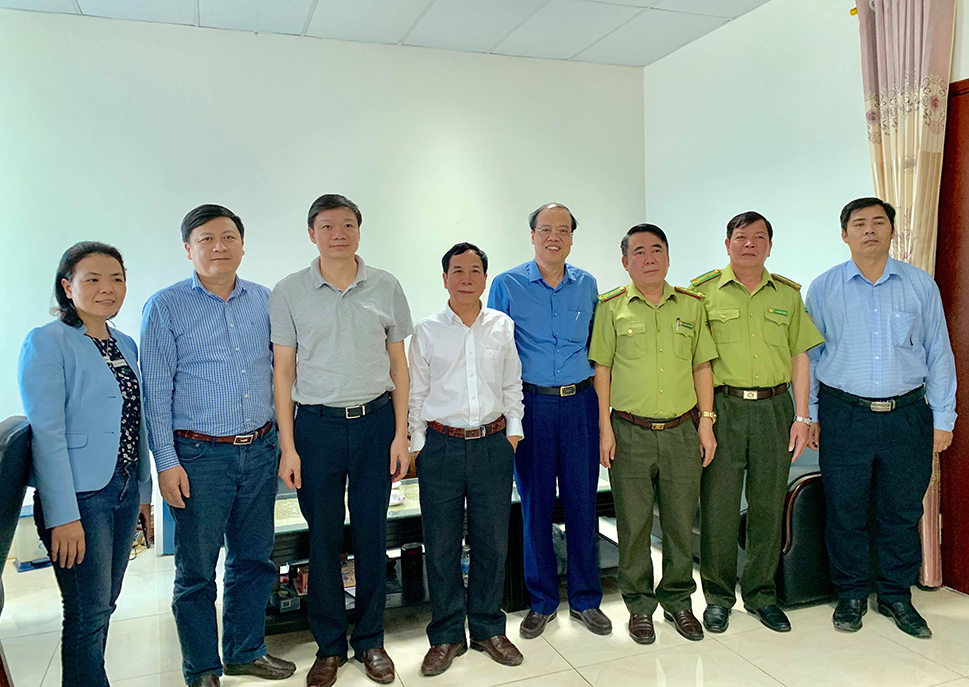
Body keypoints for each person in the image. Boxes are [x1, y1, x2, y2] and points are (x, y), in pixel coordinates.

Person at [141, 205, 294, 687]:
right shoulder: (165, 306)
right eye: (206, 239)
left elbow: (282, 375)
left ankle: (246, 651)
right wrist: (166, 463)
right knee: (196, 571)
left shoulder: (265, 301)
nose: (219, 247)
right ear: (189, 249)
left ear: (243, 246)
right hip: (199, 457)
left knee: (254, 560)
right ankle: (202, 668)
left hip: (260, 448)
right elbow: (155, 392)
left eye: (228, 237)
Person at [270, 194, 413, 687]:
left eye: (348, 224)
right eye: (328, 226)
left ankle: (371, 640)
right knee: (324, 539)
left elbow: (399, 366)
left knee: (373, 534)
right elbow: (283, 373)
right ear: (312, 234)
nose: (339, 233)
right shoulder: (289, 291)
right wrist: (289, 447)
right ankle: (329, 646)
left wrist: (401, 435)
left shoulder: (386, 285)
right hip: (316, 428)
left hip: (375, 424)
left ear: (359, 230)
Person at [805, 197, 956, 638]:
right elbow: (811, 357)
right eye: (859, 224)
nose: (869, 230)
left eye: (877, 222)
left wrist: (943, 418)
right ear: (844, 234)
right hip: (844, 414)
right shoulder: (824, 288)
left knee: (902, 510)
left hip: (907, 415)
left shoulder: (919, 285)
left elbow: (939, 352)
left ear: (892, 230)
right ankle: (851, 594)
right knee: (845, 509)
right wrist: (809, 414)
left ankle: (895, 595)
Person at [18, 241, 152, 687]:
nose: (106, 289)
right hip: (81, 497)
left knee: (104, 602)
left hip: (123, 489)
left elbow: (136, 422)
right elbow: (48, 435)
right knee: (86, 610)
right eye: (92, 279)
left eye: (116, 279)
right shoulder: (48, 341)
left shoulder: (124, 343)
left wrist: (143, 493)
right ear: (67, 286)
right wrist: (62, 516)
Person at [691, 212, 824, 634]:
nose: (749, 244)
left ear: (769, 245)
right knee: (719, 507)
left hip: (774, 408)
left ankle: (761, 594)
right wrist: (705, 419)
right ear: (727, 243)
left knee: (768, 505)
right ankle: (717, 597)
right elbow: (699, 361)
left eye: (759, 237)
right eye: (741, 237)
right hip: (724, 408)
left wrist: (802, 416)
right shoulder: (702, 293)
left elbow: (800, 357)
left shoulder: (787, 295)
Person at [589, 224, 718, 644]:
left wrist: (706, 422)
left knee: (680, 523)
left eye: (656, 250)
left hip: (682, 430)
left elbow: (702, 366)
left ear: (668, 257)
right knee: (634, 524)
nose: (649, 258)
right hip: (630, 431)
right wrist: (605, 427)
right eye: (639, 251)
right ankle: (639, 606)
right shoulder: (611, 307)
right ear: (625, 262)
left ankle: (679, 602)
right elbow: (602, 370)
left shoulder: (692, 306)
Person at [488, 203, 611, 640]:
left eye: (563, 230)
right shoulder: (507, 284)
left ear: (572, 238)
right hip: (531, 406)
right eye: (545, 229)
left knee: (583, 503)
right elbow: (493, 351)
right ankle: (541, 602)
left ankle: (586, 599)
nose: (553, 237)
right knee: (535, 506)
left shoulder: (587, 285)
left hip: (580, 405)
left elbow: (599, 351)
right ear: (532, 235)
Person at [409, 242, 525, 677]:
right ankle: (446, 636)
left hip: (493, 444)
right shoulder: (427, 331)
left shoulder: (501, 326)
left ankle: (488, 628)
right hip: (441, 446)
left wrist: (513, 434)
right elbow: (417, 393)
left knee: (492, 542)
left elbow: (512, 384)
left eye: (475, 270)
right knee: (440, 545)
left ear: (485, 278)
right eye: (457, 270)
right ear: (445, 279)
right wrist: (418, 444)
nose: (466, 278)